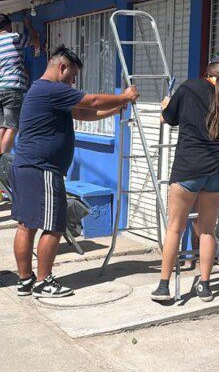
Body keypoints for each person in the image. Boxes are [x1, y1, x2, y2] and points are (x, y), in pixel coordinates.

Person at [12, 45, 139, 298]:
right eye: (72, 77)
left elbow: (84, 113)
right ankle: (43, 281)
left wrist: (116, 109)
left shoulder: (41, 91)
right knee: (54, 226)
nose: (73, 83)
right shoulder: (51, 89)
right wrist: (124, 97)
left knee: (27, 226)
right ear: (62, 68)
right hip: (43, 169)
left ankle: (25, 280)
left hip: (26, 166)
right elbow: (91, 101)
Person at [151, 52, 219, 304]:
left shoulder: (190, 87)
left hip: (189, 168)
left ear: (209, 68)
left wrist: (165, 106)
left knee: (175, 228)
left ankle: (163, 286)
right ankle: (204, 285)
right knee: (207, 229)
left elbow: (167, 119)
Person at [0, 11, 40, 158]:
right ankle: (4, 164)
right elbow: (35, 41)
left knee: (1, 126)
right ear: (9, 26)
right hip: (12, 89)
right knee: (12, 127)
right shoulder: (15, 38)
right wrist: (29, 25)